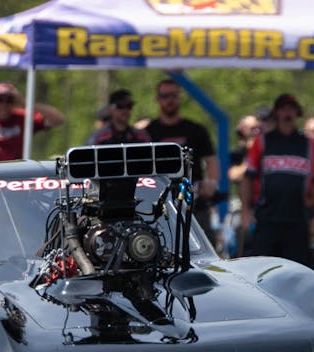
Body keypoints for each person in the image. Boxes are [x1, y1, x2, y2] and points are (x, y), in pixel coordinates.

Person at [240, 94, 314, 268]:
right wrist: (245, 211)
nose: (287, 114)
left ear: (297, 113)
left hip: (298, 219)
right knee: (262, 269)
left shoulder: (308, 145)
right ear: (277, 113)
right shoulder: (263, 142)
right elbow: (248, 177)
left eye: (291, 110)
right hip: (267, 218)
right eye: (283, 110)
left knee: (298, 270)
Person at [144, 78, 220, 243]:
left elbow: (211, 160)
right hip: (158, 203)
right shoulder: (148, 132)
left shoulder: (196, 129)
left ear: (180, 98)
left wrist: (212, 183)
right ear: (158, 99)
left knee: (204, 246)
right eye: (165, 96)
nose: (170, 100)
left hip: (193, 200)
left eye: (174, 95)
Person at [228, 114, 262, 256]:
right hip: (244, 207)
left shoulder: (265, 150)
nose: (256, 131)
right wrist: (251, 160)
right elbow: (233, 175)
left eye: (259, 128)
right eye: (252, 128)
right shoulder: (238, 153)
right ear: (242, 129)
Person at [86, 89, 151, 145]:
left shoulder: (141, 136)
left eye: (129, 106)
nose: (125, 110)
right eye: (120, 106)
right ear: (110, 109)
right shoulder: (98, 138)